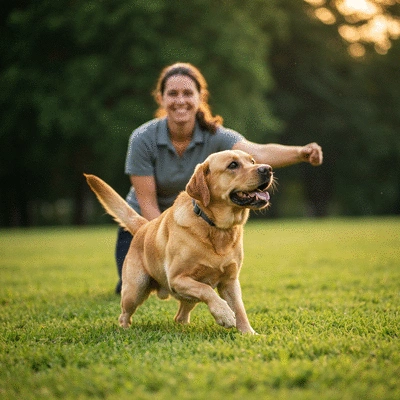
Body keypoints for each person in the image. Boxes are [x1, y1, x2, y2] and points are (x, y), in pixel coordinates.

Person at [114, 62, 323, 294]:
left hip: (199, 223)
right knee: (134, 287)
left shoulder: (217, 136)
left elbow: (259, 153)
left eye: (187, 93)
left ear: (200, 97)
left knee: (192, 280)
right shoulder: (142, 138)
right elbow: (148, 205)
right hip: (148, 228)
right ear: (160, 98)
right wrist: (168, 253)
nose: (180, 100)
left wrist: (301, 153)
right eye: (172, 93)